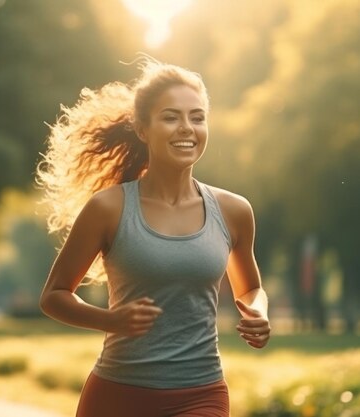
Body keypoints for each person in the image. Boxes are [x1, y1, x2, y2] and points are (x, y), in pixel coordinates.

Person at [37, 58, 271, 417]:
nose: (187, 128)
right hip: (117, 396)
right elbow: (53, 296)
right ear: (142, 128)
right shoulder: (109, 208)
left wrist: (257, 311)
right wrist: (110, 320)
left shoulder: (234, 211)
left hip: (200, 393)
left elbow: (250, 289)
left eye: (197, 117)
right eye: (171, 117)